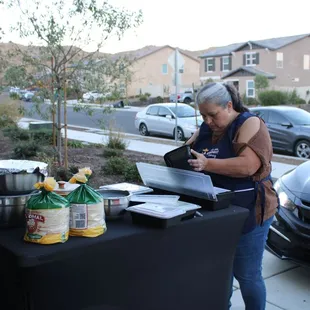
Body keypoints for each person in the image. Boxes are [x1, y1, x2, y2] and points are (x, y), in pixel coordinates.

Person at [185, 82, 279, 310]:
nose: (207, 121)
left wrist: (207, 163)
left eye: (212, 115)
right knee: (220, 273)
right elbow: (185, 153)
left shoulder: (250, 123)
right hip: (217, 214)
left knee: (247, 275)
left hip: (251, 211)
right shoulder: (207, 129)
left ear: (228, 106)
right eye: (203, 115)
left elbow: (248, 166)